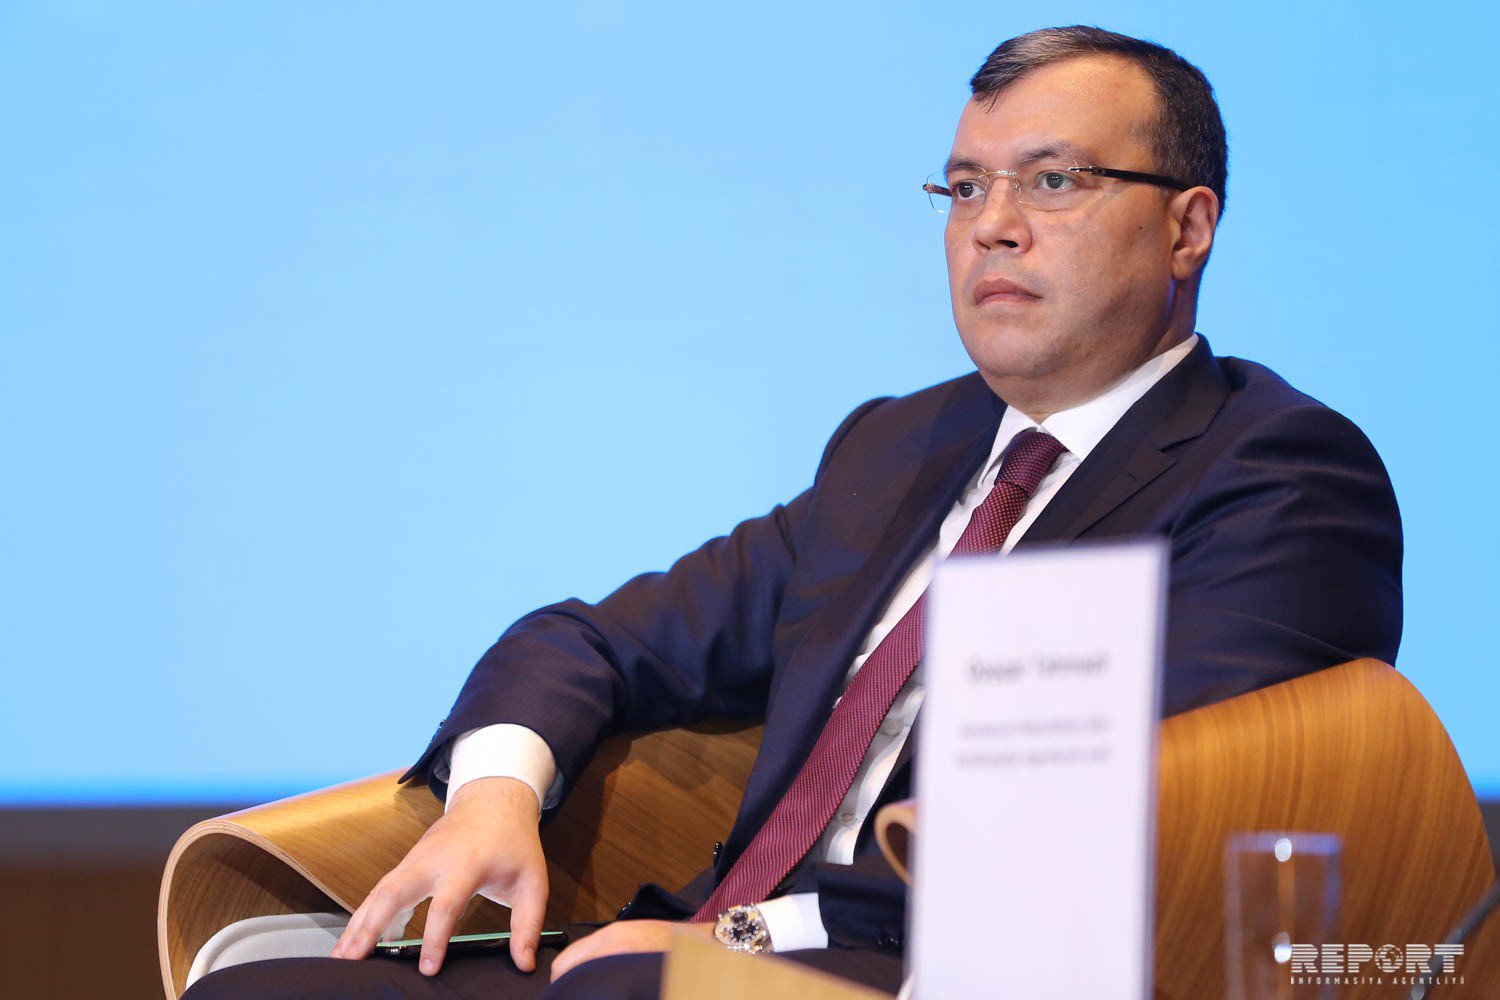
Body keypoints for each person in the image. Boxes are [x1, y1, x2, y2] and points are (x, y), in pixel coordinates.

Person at [185, 24, 1402, 1000]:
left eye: (1055, 180)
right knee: (257, 983)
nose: (993, 224)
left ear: (1188, 226)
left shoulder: (1277, 475)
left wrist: (740, 946)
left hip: (919, 970)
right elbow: (595, 639)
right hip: (693, 952)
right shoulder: (900, 448)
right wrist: (495, 796)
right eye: (965, 186)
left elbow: (1127, 834)